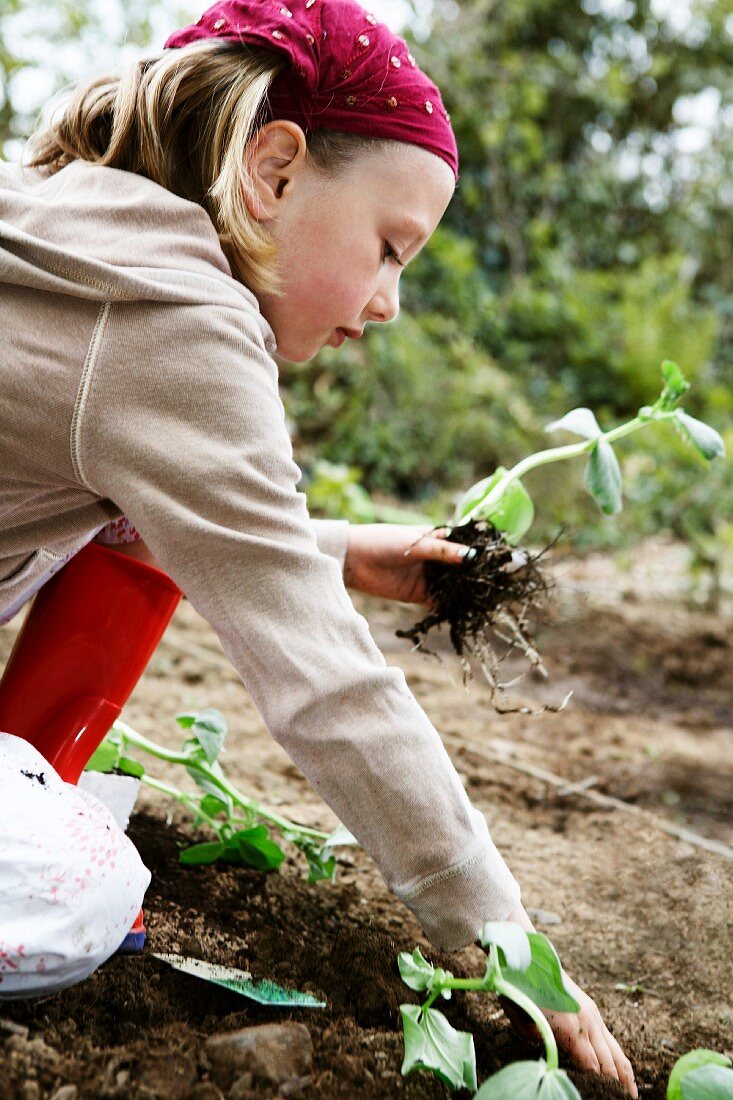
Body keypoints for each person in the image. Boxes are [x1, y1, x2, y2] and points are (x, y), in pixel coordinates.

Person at [0, 0, 636, 1092]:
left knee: (126, 551)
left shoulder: (83, 227)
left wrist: (333, 545)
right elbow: (330, 685)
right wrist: (502, 930)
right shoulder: (177, 321)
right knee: (83, 886)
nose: (388, 302)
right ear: (274, 170)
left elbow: (141, 500)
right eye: (390, 248)